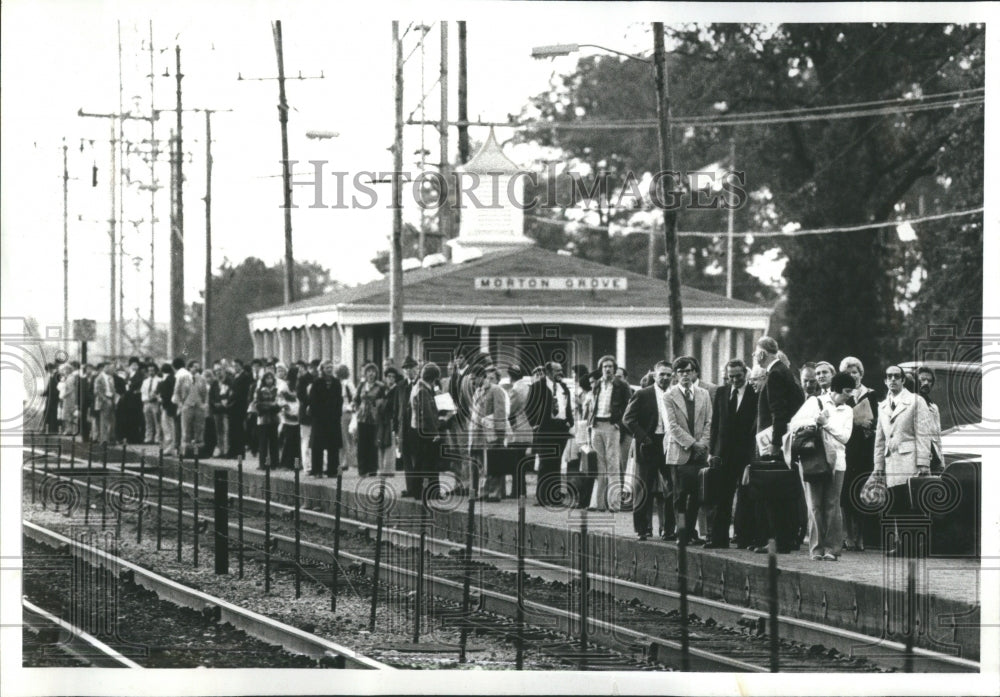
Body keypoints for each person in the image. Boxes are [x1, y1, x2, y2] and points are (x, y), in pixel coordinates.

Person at [786, 371, 855, 561]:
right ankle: (816, 549)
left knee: (832, 505)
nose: (849, 396)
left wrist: (826, 423)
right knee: (814, 505)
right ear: (835, 390)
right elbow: (793, 425)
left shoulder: (848, 410)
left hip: (837, 462)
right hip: (813, 459)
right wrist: (814, 421)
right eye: (846, 391)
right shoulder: (814, 403)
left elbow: (845, 437)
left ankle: (832, 549)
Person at [707, 358, 758, 549]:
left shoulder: (754, 393)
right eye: (731, 377)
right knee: (722, 496)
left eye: (738, 376)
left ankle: (743, 537)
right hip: (723, 453)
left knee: (745, 496)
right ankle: (719, 539)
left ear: (745, 374)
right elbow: (715, 424)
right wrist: (712, 451)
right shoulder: (721, 392)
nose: (735, 380)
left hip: (745, 453)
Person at [622, 361, 675, 541]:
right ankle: (642, 528)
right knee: (644, 487)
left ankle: (668, 529)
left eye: (669, 374)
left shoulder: (675, 394)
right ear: (654, 375)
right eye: (662, 374)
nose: (665, 378)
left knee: (672, 488)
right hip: (649, 444)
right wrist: (644, 438)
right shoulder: (643, 394)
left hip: (670, 444)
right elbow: (628, 419)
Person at [664, 356, 712, 546]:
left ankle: (691, 531)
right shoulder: (669, 396)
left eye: (689, 371)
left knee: (697, 495)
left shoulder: (704, 394)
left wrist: (703, 444)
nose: (685, 375)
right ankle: (682, 532)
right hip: (680, 452)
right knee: (680, 496)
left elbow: (709, 421)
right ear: (675, 375)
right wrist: (693, 443)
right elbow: (672, 426)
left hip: (700, 453)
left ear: (695, 373)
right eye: (681, 372)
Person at [838, 355, 880, 552]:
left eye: (854, 372)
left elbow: (878, 421)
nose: (852, 376)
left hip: (865, 449)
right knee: (845, 494)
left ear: (861, 374)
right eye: (847, 373)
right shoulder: (842, 396)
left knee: (861, 492)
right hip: (847, 449)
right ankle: (849, 536)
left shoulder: (871, 394)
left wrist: (869, 426)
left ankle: (861, 536)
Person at [873, 365, 933, 487]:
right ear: (885, 381)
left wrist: (923, 463)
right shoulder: (882, 406)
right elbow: (880, 440)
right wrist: (878, 465)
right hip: (890, 465)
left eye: (897, 376)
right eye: (889, 376)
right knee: (894, 501)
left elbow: (923, 435)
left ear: (903, 380)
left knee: (911, 500)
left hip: (911, 463)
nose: (893, 379)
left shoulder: (916, 401)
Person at [526, 360, 574, 507]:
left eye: (561, 370)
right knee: (546, 462)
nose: (560, 372)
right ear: (548, 372)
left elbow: (567, 407)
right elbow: (529, 408)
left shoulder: (563, 387)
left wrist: (569, 422)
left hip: (561, 428)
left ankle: (554, 496)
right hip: (545, 428)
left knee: (557, 462)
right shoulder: (537, 387)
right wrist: (535, 424)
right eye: (557, 370)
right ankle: (542, 497)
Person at [588, 355, 630, 512]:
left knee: (612, 464)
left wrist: (619, 424)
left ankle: (614, 504)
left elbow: (629, 406)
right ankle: (599, 504)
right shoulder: (597, 384)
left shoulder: (622, 385)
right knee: (599, 466)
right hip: (596, 425)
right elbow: (593, 405)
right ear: (601, 369)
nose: (607, 369)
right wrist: (589, 425)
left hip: (611, 426)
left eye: (610, 366)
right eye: (605, 366)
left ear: (614, 368)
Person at [469, 365, 508, 502]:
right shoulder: (478, 392)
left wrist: (500, 433)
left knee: (493, 463)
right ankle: (484, 492)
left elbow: (500, 412)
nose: (472, 382)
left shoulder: (495, 390)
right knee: (482, 466)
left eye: (474, 379)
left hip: (491, 433)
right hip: (478, 434)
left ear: (481, 377)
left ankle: (494, 492)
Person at [411, 361, 443, 501]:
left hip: (417, 429)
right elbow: (428, 414)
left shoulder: (418, 387)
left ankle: (417, 491)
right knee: (431, 462)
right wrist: (436, 432)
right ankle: (433, 492)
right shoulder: (423, 390)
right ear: (434, 378)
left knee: (420, 462)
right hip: (426, 430)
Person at [309, 361, 344, 477]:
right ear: (322, 369)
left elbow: (339, 399)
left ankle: (332, 470)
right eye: (327, 367)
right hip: (319, 418)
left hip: (333, 418)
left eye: (331, 367)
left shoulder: (336, 382)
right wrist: (317, 414)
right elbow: (313, 400)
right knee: (317, 445)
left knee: (333, 445)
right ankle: (317, 470)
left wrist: (337, 414)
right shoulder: (317, 382)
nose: (329, 369)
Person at [353, 363, 385, 477]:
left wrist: (376, 408)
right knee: (361, 444)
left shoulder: (380, 386)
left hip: (374, 418)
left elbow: (383, 401)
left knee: (373, 444)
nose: (371, 374)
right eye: (369, 371)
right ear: (365, 373)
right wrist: (357, 408)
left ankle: (372, 469)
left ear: (376, 373)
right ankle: (362, 469)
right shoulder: (361, 385)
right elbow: (356, 399)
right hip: (362, 417)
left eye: (373, 371)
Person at [396, 356, 421, 497]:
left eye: (411, 368)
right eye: (406, 368)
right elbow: (396, 408)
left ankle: (417, 487)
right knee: (406, 458)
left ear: (416, 369)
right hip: (404, 427)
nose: (409, 371)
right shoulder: (400, 386)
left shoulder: (420, 384)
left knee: (416, 457)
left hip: (415, 426)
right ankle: (410, 487)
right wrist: (396, 428)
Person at [915, 366, 943, 472]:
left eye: (929, 381)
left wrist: (941, 462)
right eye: (922, 379)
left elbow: (938, 437)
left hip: (933, 460)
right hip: (915, 461)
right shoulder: (909, 404)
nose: (926, 383)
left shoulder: (933, 408)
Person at [377, 367, 401, 475]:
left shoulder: (397, 390)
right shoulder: (383, 389)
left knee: (390, 444)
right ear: (385, 378)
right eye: (388, 376)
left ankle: (389, 469)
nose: (391, 379)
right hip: (382, 420)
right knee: (381, 443)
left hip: (391, 418)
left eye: (393, 377)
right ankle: (382, 468)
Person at [255, 371, 281, 469]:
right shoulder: (260, 390)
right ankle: (263, 464)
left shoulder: (276, 390)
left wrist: (269, 406)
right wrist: (270, 405)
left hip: (274, 419)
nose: (269, 380)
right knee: (263, 442)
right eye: (267, 378)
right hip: (263, 419)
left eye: (271, 378)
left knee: (274, 442)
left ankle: (274, 463)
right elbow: (258, 405)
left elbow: (278, 405)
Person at [278, 366, 301, 469]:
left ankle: (295, 463)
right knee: (289, 440)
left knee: (296, 441)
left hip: (298, 414)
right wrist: (286, 409)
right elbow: (280, 399)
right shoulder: (285, 385)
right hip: (289, 415)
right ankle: (286, 463)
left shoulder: (299, 384)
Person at [297, 359, 319, 469]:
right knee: (306, 439)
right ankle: (307, 465)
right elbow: (300, 396)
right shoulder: (303, 379)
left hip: (317, 414)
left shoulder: (320, 379)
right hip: (306, 413)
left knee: (316, 439)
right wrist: (311, 403)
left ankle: (317, 464)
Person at [337, 364, 357, 472]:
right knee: (346, 438)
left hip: (345, 413)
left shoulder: (345, 384)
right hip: (345, 412)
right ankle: (347, 460)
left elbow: (354, 397)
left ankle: (347, 461)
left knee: (345, 438)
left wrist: (348, 407)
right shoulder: (348, 383)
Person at [93, 362, 117, 445]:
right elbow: (97, 391)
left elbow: (113, 389)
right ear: (105, 368)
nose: (111, 370)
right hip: (104, 400)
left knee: (112, 420)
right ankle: (104, 439)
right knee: (104, 420)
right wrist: (104, 399)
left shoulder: (111, 377)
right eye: (109, 368)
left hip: (111, 399)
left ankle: (111, 438)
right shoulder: (99, 378)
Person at [156, 364, 176, 454]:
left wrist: (161, 398)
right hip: (168, 406)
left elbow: (166, 394)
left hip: (168, 406)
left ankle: (169, 447)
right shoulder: (171, 379)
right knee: (168, 426)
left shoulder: (167, 380)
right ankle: (169, 446)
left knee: (168, 427)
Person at [141, 364, 162, 445]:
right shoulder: (145, 381)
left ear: (156, 371)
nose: (151, 372)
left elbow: (159, 392)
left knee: (157, 421)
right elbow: (143, 392)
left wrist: (156, 398)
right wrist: (145, 400)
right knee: (148, 421)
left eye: (152, 370)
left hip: (155, 403)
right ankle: (148, 437)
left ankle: (158, 438)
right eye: (149, 370)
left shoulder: (159, 380)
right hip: (146, 403)